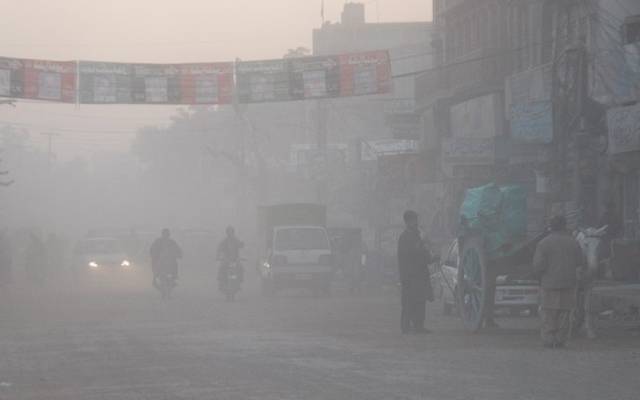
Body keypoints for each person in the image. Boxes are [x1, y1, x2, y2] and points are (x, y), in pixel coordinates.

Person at [533, 215, 585, 348]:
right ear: (564, 226)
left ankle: (549, 339)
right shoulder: (573, 242)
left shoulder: (543, 243)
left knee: (549, 312)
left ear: (551, 227)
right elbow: (580, 261)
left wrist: (539, 277)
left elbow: (538, 266)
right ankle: (561, 339)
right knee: (565, 312)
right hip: (568, 283)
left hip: (549, 283)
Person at [397, 210, 434, 334]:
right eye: (414, 220)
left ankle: (419, 326)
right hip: (409, 275)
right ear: (408, 222)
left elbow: (424, 253)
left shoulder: (418, 236)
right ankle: (405, 327)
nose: (416, 223)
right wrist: (420, 245)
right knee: (408, 302)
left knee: (420, 301)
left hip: (421, 275)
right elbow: (407, 255)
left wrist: (431, 258)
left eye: (416, 220)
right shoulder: (404, 238)